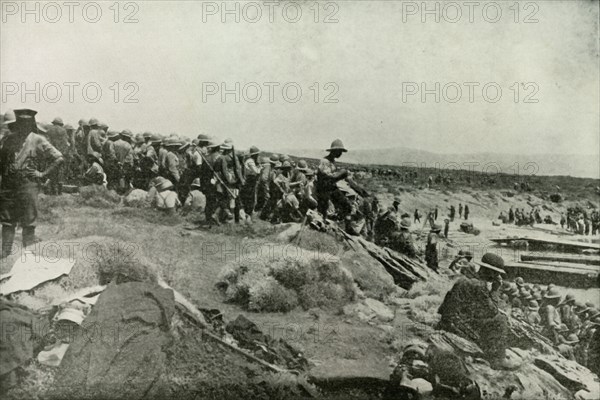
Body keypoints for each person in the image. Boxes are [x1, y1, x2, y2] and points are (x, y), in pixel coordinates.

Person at [0, 109, 64, 256]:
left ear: (31, 124)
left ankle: (28, 259)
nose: (23, 126)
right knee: (7, 222)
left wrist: (42, 174)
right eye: (20, 122)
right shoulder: (8, 139)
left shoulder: (37, 139)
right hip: (9, 186)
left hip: (27, 184)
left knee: (28, 223)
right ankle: (4, 257)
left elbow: (59, 158)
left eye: (26, 123)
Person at [437, 253, 509, 365]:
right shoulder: (479, 286)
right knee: (501, 320)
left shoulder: (468, 279)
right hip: (456, 325)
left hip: (450, 320)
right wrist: (495, 290)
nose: (497, 275)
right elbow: (492, 311)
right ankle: (497, 359)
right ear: (490, 271)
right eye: (496, 272)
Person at [316, 139, 351, 220]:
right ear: (335, 151)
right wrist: (342, 173)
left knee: (347, 205)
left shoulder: (332, 161)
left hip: (331, 188)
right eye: (340, 151)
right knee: (325, 211)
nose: (341, 154)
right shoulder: (325, 161)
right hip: (324, 190)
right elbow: (330, 177)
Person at [45, 117, 70, 195]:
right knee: (60, 172)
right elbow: (66, 143)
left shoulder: (49, 130)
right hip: (61, 154)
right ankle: (59, 192)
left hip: (52, 154)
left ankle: (52, 191)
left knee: (52, 171)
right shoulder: (64, 131)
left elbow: (47, 142)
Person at [241, 146, 261, 221]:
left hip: (250, 181)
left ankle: (248, 214)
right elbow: (256, 171)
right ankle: (248, 214)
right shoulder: (250, 161)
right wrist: (260, 168)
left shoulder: (250, 160)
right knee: (249, 198)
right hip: (250, 181)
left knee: (249, 198)